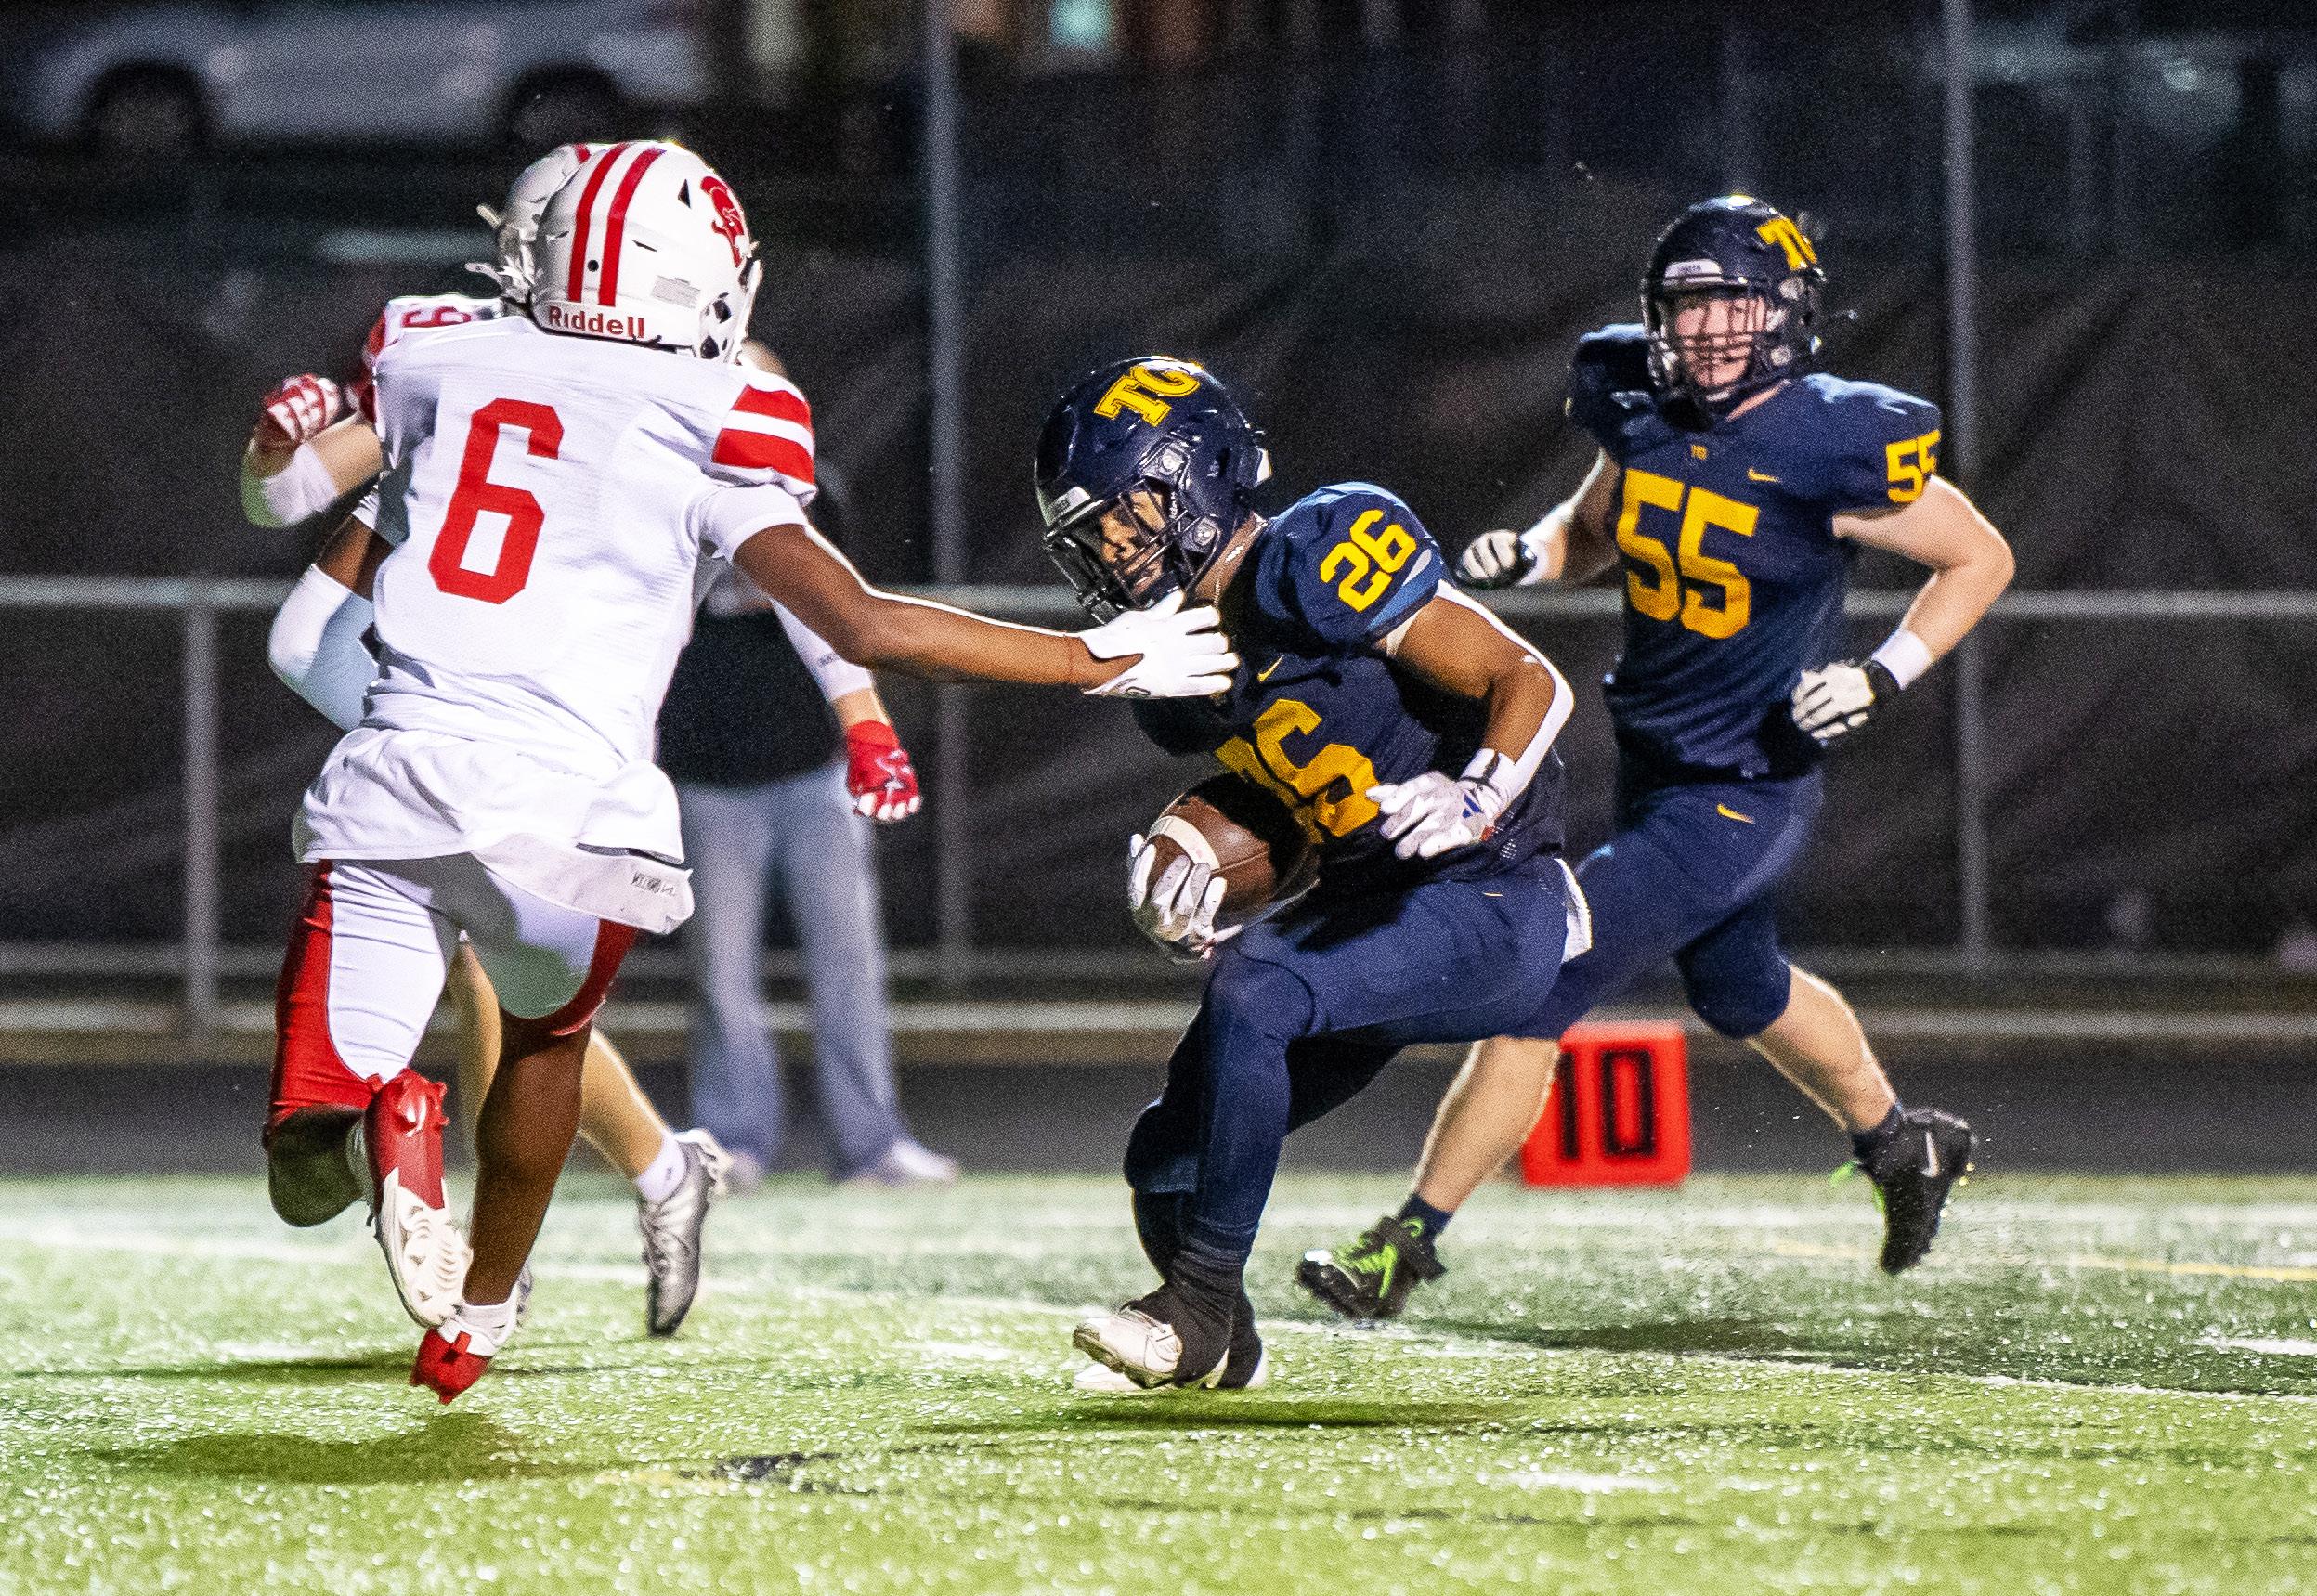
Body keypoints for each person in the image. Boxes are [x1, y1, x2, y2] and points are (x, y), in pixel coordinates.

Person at [262, 141, 1239, 1403]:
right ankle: (479, 1316)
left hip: (401, 776)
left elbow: (283, 504)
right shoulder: (723, 409)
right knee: (550, 1040)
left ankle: (384, 1136)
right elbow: (863, 619)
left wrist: (279, 442)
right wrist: (1089, 658)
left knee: (306, 1154)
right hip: (582, 821)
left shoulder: (430, 359)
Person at [1297, 196, 2016, 1323]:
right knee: (1740, 987)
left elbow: (1978, 556)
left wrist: (1882, 673)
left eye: (1734, 303)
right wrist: (1534, 555)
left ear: (1784, 312)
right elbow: (1594, 532)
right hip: (1655, 763)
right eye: (1689, 305)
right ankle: (1901, 1144)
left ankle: (1404, 1246)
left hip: (1743, 785)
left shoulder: (1828, 438)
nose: (1710, 328)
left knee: (1542, 979)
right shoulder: (1635, 401)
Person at [250, 143, 746, 1339]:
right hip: (498, 714)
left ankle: (541, 1241)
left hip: (541, 712)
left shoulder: (470, 351)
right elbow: (301, 507)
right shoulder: (470, 357)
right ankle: (636, 1185)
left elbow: (289, 522)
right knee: (508, 990)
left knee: (504, 988)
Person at [1039, 357, 1586, 1392]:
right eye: (1092, 536)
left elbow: (1530, 677)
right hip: (1370, 906)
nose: (1112, 550)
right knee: (1166, 1157)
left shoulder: (1317, 553)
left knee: (1257, 987)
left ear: (1196, 478)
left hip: (1493, 892)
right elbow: (1300, 822)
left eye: (1126, 516)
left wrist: (1476, 790)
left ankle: (1196, 1307)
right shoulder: (1180, 675)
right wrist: (1196, 896)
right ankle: (1224, 1350)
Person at [660, 547, 957, 1190]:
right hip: (706, 771)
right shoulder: (676, 501)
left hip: (815, 767)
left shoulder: (819, 499)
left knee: (851, 964)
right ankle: (731, 1142)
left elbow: (845, 610)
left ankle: (871, 1144)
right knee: (721, 973)